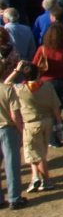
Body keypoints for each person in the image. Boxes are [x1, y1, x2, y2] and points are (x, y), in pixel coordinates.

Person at [12, 62, 61, 192]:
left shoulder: (21, 89)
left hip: (31, 124)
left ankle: (47, 181)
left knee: (36, 154)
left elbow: (5, 83)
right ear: (38, 73)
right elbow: (55, 106)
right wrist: (59, 122)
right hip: (47, 121)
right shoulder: (48, 86)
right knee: (38, 152)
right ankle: (35, 177)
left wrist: (16, 70)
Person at [0, 61, 26, 209]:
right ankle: (14, 197)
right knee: (11, 164)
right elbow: (15, 115)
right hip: (7, 129)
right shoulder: (7, 90)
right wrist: (21, 130)